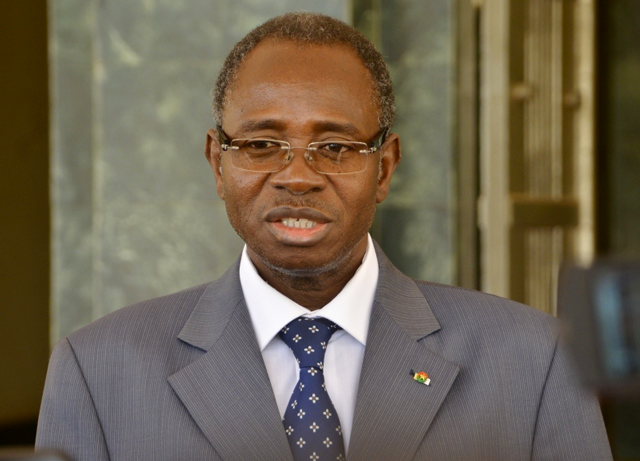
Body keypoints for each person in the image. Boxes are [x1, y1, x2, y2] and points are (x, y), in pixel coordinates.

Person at [36, 12, 612, 461]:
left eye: (335, 147)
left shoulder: (535, 361)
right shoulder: (97, 371)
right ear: (218, 163)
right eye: (262, 145)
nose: (298, 176)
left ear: (384, 168)